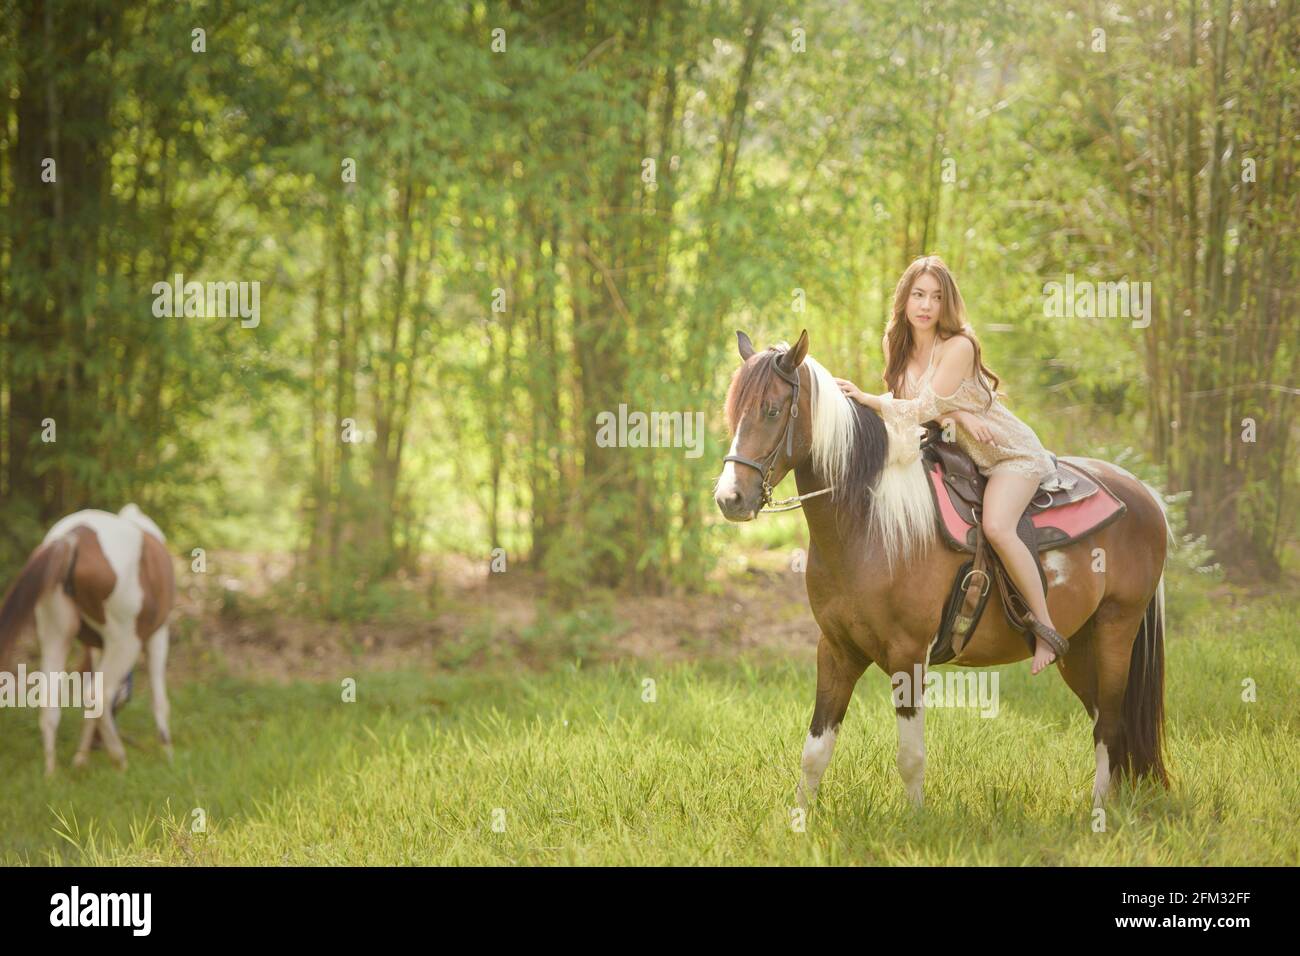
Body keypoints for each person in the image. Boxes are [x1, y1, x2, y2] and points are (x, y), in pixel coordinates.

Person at [834, 255, 1068, 675]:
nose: (926, 305)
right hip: (960, 452)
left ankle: (1046, 630)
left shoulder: (958, 346)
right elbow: (919, 408)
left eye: (936, 297)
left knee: (997, 527)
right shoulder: (895, 344)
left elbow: (923, 407)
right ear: (904, 299)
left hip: (1007, 454)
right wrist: (957, 416)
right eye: (918, 295)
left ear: (948, 303)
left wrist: (867, 399)